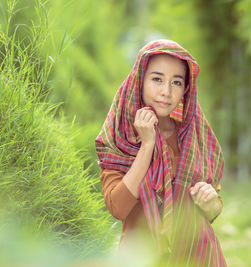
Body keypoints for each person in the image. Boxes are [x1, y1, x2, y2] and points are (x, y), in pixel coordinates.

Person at [95, 40, 226, 266]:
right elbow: (118, 207)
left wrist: (210, 203)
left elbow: (213, 210)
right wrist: (147, 146)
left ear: (185, 89)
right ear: (139, 81)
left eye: (176, 82)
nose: (166, 92)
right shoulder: (121, 137)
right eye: (157, 79)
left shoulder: (193, 136)